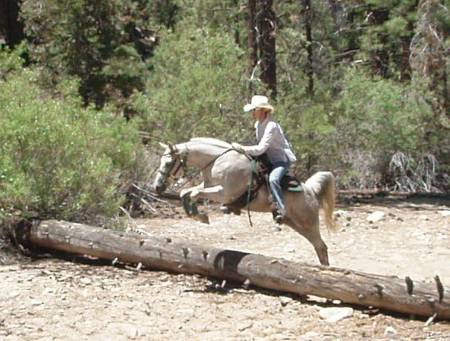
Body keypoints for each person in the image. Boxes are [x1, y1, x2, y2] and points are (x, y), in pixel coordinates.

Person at [232, 95, 296, 223]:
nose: (252, 113)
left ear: (262, 110)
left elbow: (261, 148)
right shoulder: (258, 124)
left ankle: (281, 209)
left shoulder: (272, 126)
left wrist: (243, 148)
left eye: (254, 110)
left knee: (273, 179)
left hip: (281, 160)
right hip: (268, 158)